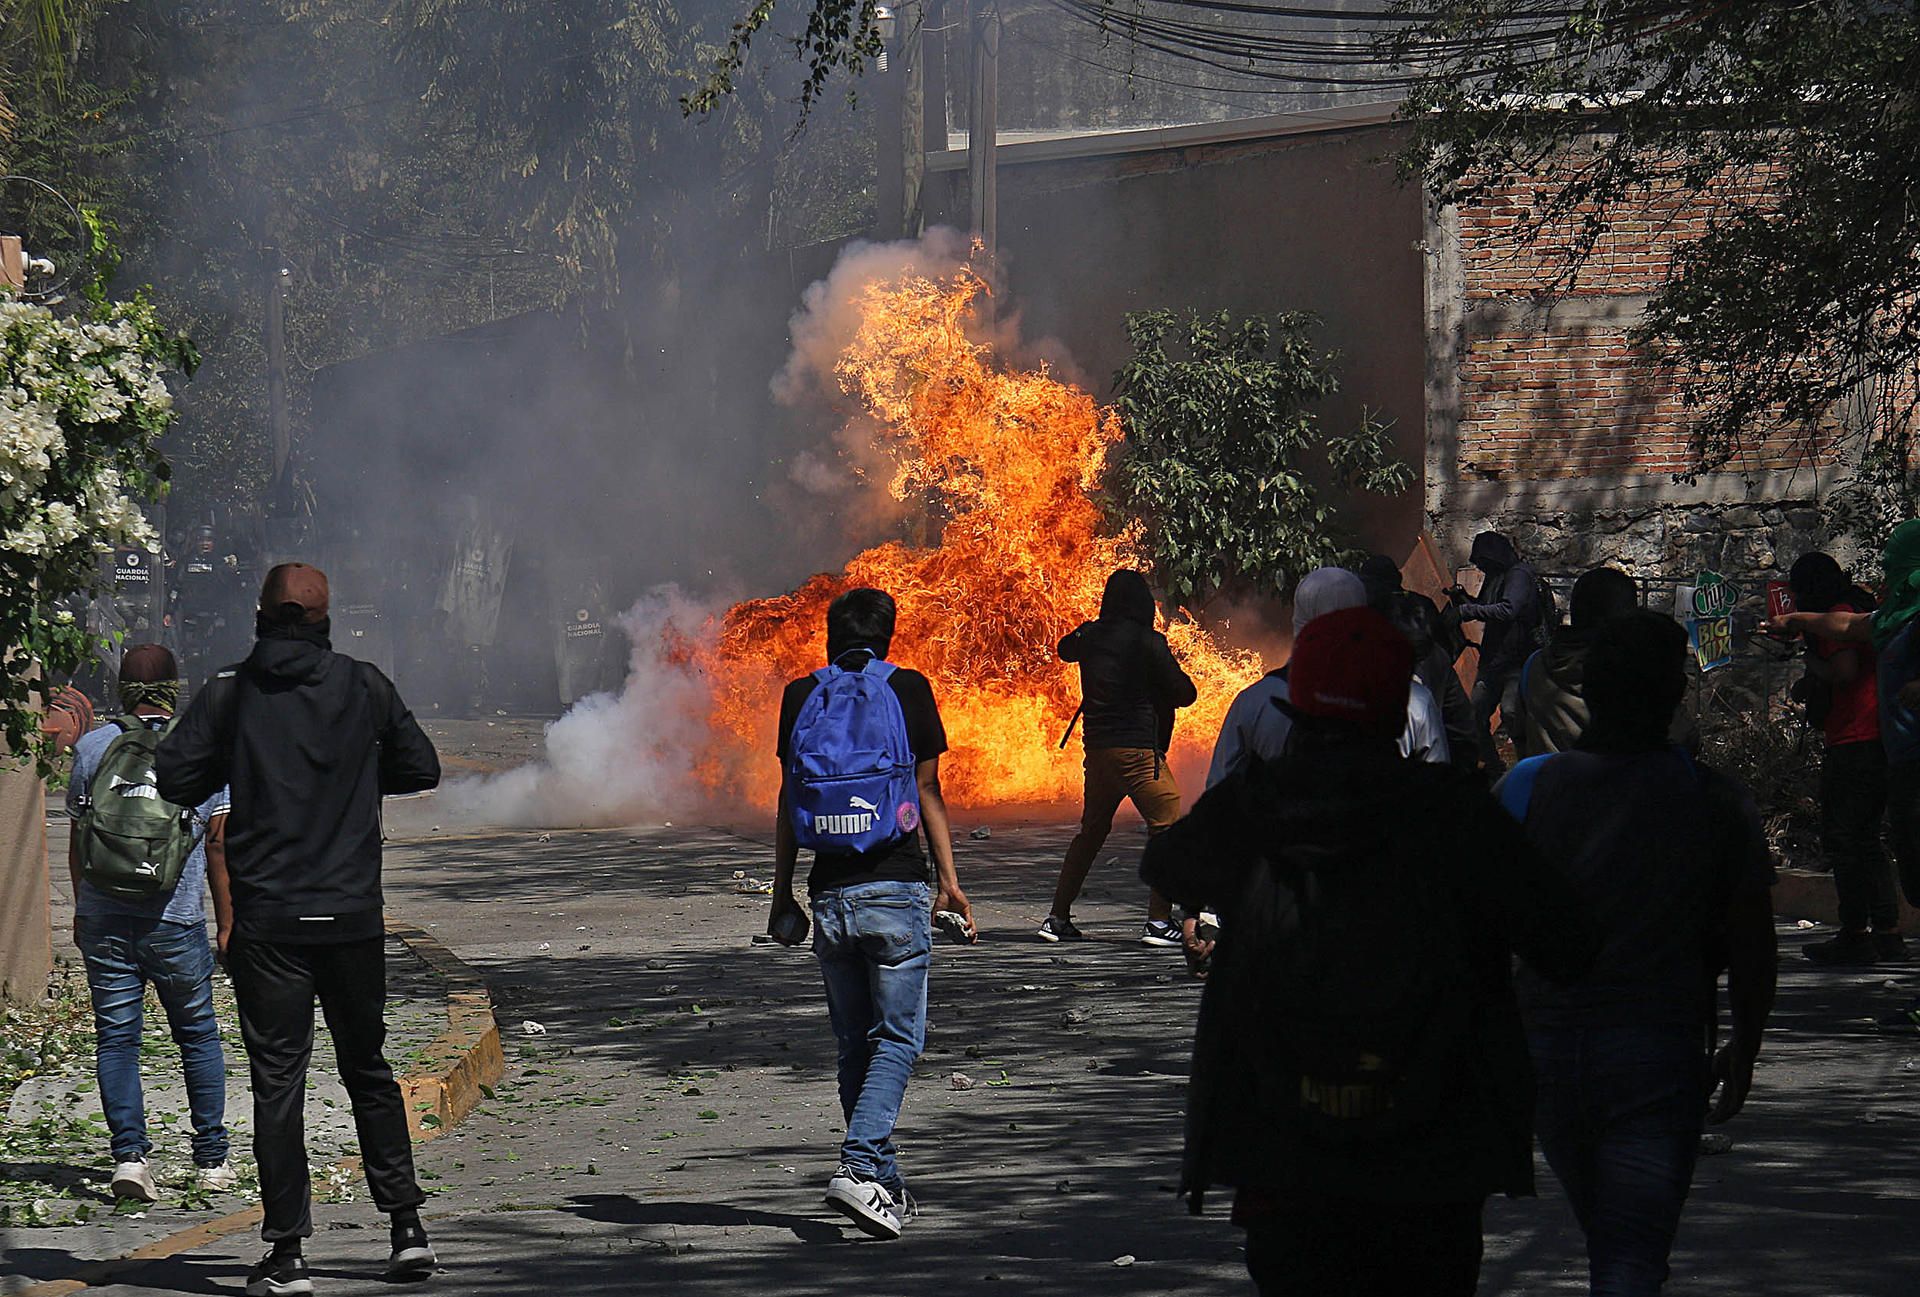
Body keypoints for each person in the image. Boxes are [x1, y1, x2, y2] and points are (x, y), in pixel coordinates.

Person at [1143, 606, 1596, 1297]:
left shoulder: (1259, 805)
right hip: (1431, 1162)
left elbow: (1170, 866)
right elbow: (1565, 942)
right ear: (1401, 707)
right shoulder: (1456, 814)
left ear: (1297, 699)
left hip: (1287, 1158)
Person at [157, 563, 442, 1297]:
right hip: (351, 918)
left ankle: (288, 1254)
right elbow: (421, 766)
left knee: (278, 1085)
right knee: (368, 1070)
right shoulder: (365, 685)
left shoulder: (230, 691)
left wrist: (241, 759)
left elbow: (174, 776)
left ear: (260, 615)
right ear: (324, 619)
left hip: (270, 923)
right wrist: (353, 773)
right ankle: (407, 1227)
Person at [1498, 610, 1778, 1295]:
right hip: (1655, 1053)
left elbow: (1483, 921)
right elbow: (1751, 941)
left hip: (1550, 1052)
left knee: (1616, 1242)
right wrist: (1743, 1047)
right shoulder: (1712, 799)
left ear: (1590, 691)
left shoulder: (1527, 785)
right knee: (1629, 1252)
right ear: (1673, 696)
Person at [767, 587, 975, 1240]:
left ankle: (881, 1183)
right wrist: (950, 881)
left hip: (828, 893)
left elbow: (787, 800)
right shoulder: (909, 688)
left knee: (856, 1044)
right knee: (898, 1041)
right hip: (894, 891)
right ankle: (859, 1166)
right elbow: (928, 790)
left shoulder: (802, 695)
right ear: (889, 636)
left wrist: (781, 892)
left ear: (830, 635)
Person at [68, 644, 233, 1203]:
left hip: (104, 919)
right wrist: (229, 923)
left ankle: (130, 1159)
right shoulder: (204, 749)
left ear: (120, 690)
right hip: (176, 920)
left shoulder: (92, 746)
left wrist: (80, 907)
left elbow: (79, 835)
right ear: (175, 687)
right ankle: (211, 1159)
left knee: (117, 1038)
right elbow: (217, 844)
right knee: (197, 1035)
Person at [1039, 569, 1196, 945]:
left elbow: (1064, 649)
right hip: (1139, 753)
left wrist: (1085, 630)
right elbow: (1184, 693)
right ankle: (1159, 922)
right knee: (1169, 827)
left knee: (1091, 833)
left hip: (1097, 754)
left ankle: (1056, 918)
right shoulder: (1149, 642)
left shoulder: (1090, 637)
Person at [1208, 566, 1454, 788]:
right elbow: (1439, 793)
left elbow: (1218, 794)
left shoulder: (1256, 701)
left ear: (1299, 621)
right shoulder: (1412, 701)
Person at [1787, 553, 1906, 964]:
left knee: (1845, 838)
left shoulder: (1838, 614)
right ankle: (1886, 932)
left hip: (1855, 736)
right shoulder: (1860, 604)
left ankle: (1857, 931)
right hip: (1874, 734)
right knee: (1865, 838)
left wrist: (1809, 663)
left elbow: (1844, 671)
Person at [1516, 566, 1642, 756]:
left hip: (1549, 781)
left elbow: (1519, 730)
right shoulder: (1634, 672)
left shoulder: (1535, 665)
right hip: (1615, 783)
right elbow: (1681, 737)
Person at [1448, 531, 1543, 772]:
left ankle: (1527, 766)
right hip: (1493, 661)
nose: (1481, 567)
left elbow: (1507, 610)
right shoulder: (1496, 577)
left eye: (1484, 561)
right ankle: (1493, 766)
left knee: (1512, 714)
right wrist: (1464, 600)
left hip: (1515, 660)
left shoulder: (1518, 575)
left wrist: (1467, 612)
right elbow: (1485, 607)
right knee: (1476, 715)